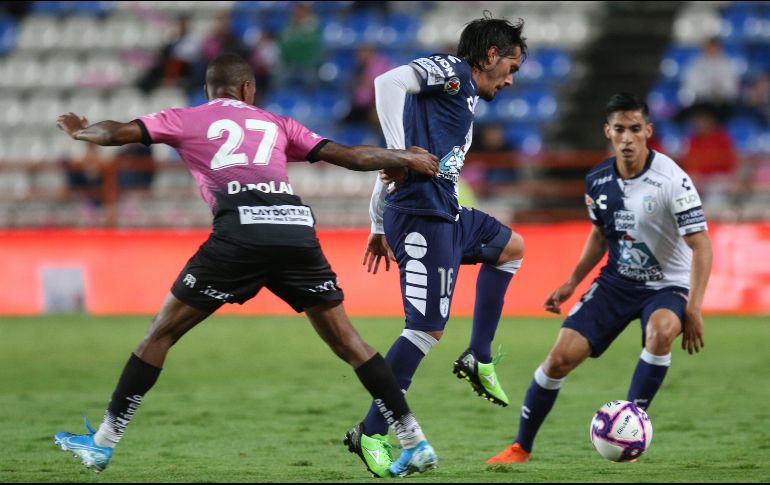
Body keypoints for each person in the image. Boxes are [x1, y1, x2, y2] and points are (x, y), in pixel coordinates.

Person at [53, 54, 440, 478]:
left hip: (239, 234)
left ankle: (103, 443)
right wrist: (406, 157)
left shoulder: (186, 118)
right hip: (295, 231)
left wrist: (81, 132)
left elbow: (119, 132)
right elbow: (351, 156)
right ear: (247, 91)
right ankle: (414, 440)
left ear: (208, 91)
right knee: (349, 342)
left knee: (161, 334)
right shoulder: (277, 123)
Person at [343, 14, 528, 474]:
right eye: (512, 67)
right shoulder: (450, 72)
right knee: (424, 330)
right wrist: (397, 153)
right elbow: (387, 82)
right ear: (491, 56)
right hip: (423, 219)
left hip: (444, 213)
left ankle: (479, 355)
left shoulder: (462, 97)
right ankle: (370, 433)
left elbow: (401, 159)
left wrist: (377, 224)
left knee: (511, 248)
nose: (511, 80)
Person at [487, 93, 712, 464]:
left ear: (648, 131)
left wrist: (694, 306)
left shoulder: (673, 180)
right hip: (616, 282)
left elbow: (702, 246)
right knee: (558, 359)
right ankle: (520, 447)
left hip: (666, 285)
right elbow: (598, 235)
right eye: (620, 129)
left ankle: (631, 425)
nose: (627, 137)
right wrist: (572, 282)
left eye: (635, 129)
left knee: (659, 333)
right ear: (608, 131)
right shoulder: (598, 180)